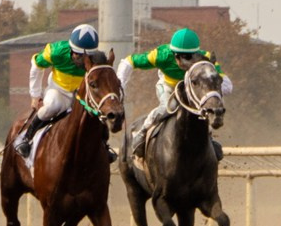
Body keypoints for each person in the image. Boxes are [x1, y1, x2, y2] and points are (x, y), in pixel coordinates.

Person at [119, 27, 233, 156]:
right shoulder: (161, 55)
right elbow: (128, 62)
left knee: (205, 109)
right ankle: (142, 133)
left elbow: (228, 85)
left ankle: (210, 139)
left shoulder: (205, 59)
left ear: (196, 53)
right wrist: (120, 84)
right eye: (179, 56)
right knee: (167, 108)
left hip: (191, 89)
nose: (184, 61)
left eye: (189, 57)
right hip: (168, 86)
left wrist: (210, 89)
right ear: (173, 53)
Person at [16, 22, 110, 155]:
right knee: (53, 106)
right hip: (58, 91)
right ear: (71, 49)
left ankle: (105, 146)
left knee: (97, 113)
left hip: (81, 95)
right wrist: (35, 96)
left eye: (86, 57)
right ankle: (27, 137)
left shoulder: (97, 60)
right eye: (78, 55)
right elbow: (37, 65)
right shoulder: (56, 51)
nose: (82, 61)